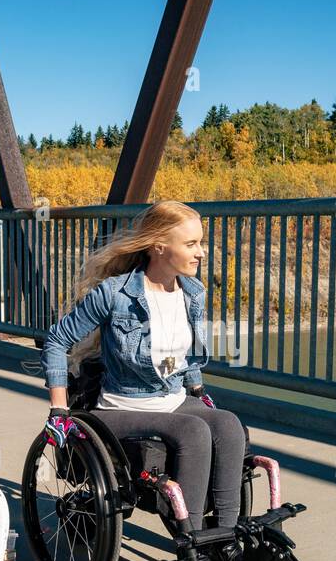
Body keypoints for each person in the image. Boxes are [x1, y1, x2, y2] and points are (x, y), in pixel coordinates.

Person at [40, 200, 244, 531]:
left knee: (228, 424)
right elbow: (56, 341)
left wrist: (197, 389)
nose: (201, 253)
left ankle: (226, 536)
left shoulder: (193, 292)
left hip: (173, 398)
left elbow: (186, 352)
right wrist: (59, 409)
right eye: (191, 244)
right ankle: (191, 543)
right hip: (123, 406)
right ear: (159, 245)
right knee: (193, 431)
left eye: (200, 243)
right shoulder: (114, 294)